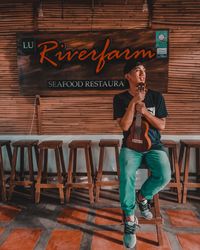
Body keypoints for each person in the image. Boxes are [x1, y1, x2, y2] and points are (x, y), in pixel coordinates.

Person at [113, 59, 171, 248]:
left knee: (164, 175)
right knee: (126, 174)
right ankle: (130, 219)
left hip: (154, 146)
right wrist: (133, 102)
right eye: (138, 70)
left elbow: (162, 125)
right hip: (130, 147)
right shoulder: (120, 99)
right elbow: (124, 126)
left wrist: (145, 111)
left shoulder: (156, 96)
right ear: (128, 76)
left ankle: (142, 197)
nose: (142, 73)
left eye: (144, 71)